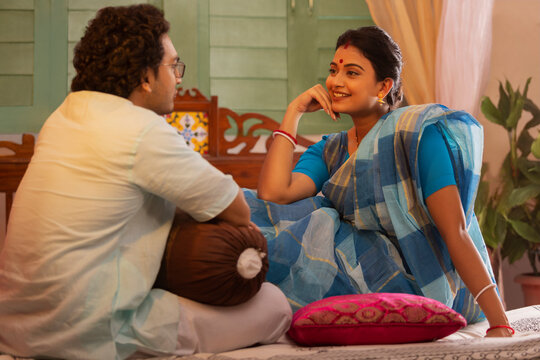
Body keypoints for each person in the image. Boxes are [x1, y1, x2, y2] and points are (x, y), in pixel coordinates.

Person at [0, 4, 291, 359]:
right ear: (145, 77)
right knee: (275, 305)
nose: (179, 78)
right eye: (173, 67)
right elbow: (238, 211)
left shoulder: (62, 117)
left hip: (16, 329)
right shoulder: (142, 130)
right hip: (90, 331)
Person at [248, 26, 513, 337]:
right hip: (358, 275)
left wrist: (499, 322)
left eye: (352, 72)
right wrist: (293, 113)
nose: (336, 82)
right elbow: (273, 194)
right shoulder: (330, 150)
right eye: (333, 71)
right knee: (248, 207)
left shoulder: (416, 136)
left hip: (429, 280)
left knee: (322, 219)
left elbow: (455, 230)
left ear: (383, 86)